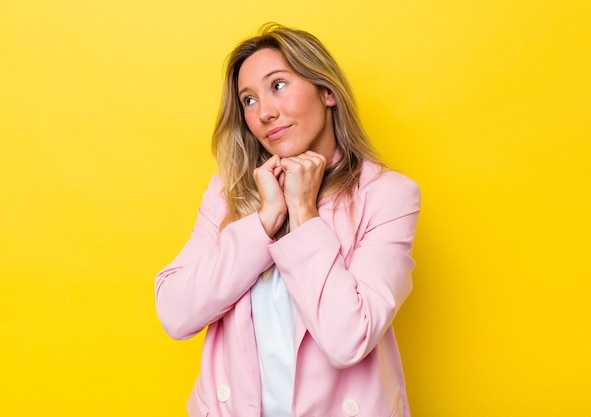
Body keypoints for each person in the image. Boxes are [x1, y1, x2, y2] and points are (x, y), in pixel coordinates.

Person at [155, 23, 421, 417]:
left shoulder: (387, 195)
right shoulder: (227, 193)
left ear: (327, 92)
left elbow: (348, 338)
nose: (264, 112)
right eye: (248, 100)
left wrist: (304, 214)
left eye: (278, 86)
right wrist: (265, 219)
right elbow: (175, 314)